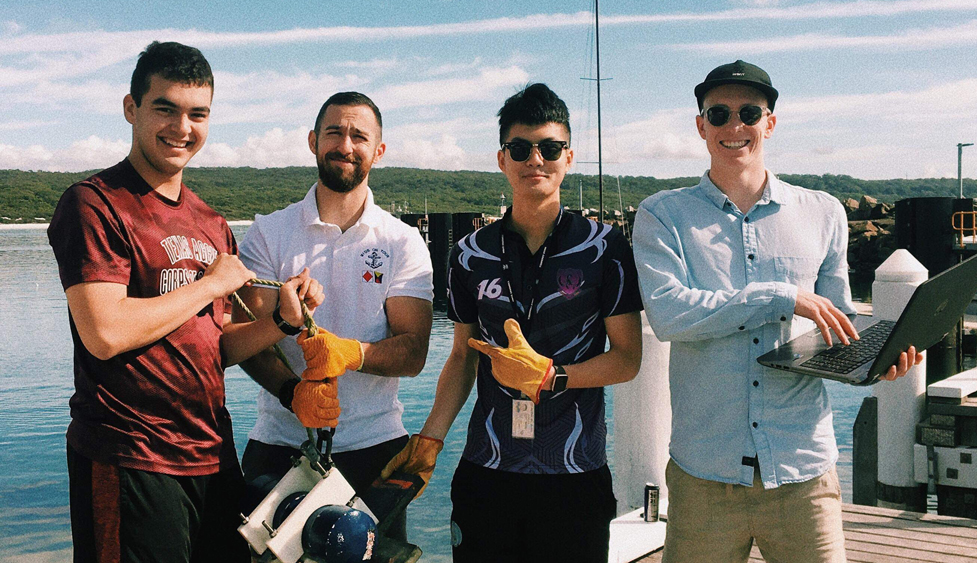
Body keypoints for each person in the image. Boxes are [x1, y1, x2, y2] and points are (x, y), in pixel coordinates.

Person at [631, 60, 922, 563]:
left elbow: (839, 324)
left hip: (803, 473)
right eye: (718, 113)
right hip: (705, 474)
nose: (734, 126)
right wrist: (780, 295)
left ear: (770, 122)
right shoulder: (663, 213)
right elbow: (669, 314)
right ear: (700, 126)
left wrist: (876, 362)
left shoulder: (824, 211)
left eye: (749, 112)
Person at [48, 41, 326, 563]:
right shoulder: (95, 202)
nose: (182, 127)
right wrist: (209, 284)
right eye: (165, 109)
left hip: (210, 455)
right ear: (131, 109)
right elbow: (105, 333)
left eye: (197, 114)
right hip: (130, 454)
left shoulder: (210, 221)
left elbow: (213, 347)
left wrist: (283, 321)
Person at [381, 83, 644, 562]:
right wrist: (431, 439)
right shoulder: (469, 254)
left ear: (569, 156)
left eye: (549, 147)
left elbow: (627, 359)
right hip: (488, 469)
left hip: (574, 473)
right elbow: (461, 356)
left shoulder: (605, 248)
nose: (535, 160)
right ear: (502, 159)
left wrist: (553, 376)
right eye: (521, 149)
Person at [234, 91, 434, 541]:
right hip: (280, 443)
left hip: (376, 449)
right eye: (334, 133)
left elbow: (414, 351)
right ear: (312, 141)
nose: (346, 145)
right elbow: (246, 340)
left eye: (359, 136)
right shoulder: (268, 233)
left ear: (378, 151)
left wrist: (350, 354)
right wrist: (292, 392)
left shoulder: (402, 242)